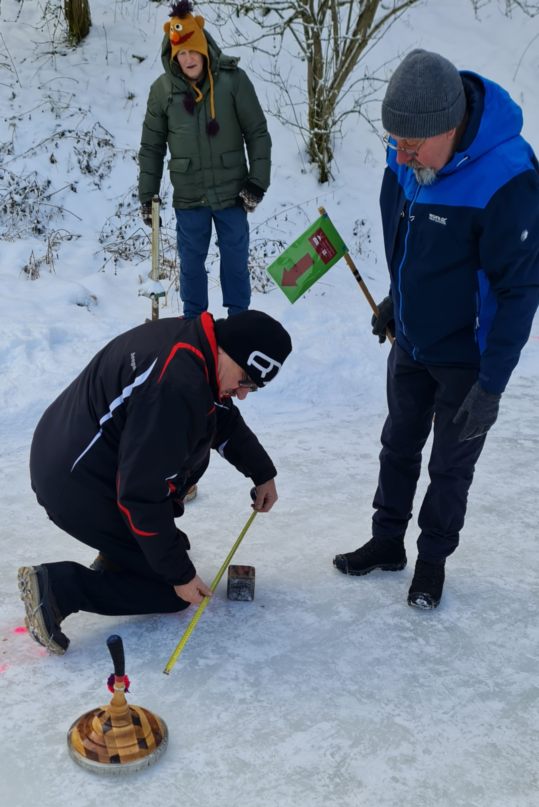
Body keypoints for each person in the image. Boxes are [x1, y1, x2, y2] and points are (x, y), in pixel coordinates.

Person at [334, 50, 539, 609]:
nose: (400, 155)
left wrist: (491, 386)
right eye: (394, 141)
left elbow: (520, 291)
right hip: (412, 341)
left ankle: (431, 562)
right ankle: (387, 542)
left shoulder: (508, 178)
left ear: (449, 128)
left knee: (450, 467)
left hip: (467, 357)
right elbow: (411, 241)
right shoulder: (410, 152)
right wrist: (396, 300)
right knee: (397, 445)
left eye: (411, 145)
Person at [18, 310, 292, 654]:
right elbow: (142, 495)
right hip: (75, 484)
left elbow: (220, 417)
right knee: (171, 589)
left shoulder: (195, 346)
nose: (242, 394)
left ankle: (121, 557)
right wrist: (180, 576)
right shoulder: (175, 386)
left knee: (169, 551)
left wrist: (262, 472)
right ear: (228, 351)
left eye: (251, 387)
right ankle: (59, 588)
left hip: (71, 457)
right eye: (245, 380)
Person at [138, 1, 271, 319]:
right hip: (189, 196)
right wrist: (148, 196)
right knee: (191, 263)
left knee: (235, 261)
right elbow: (152, 147)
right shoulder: (163, 91)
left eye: (192, 52)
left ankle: (238, 324)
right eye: (181, 54)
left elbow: (257, 133)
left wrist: (257, 182)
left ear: (204, 49)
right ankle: (195, 326)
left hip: (232, 193)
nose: (188, 59)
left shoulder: (233, 81)